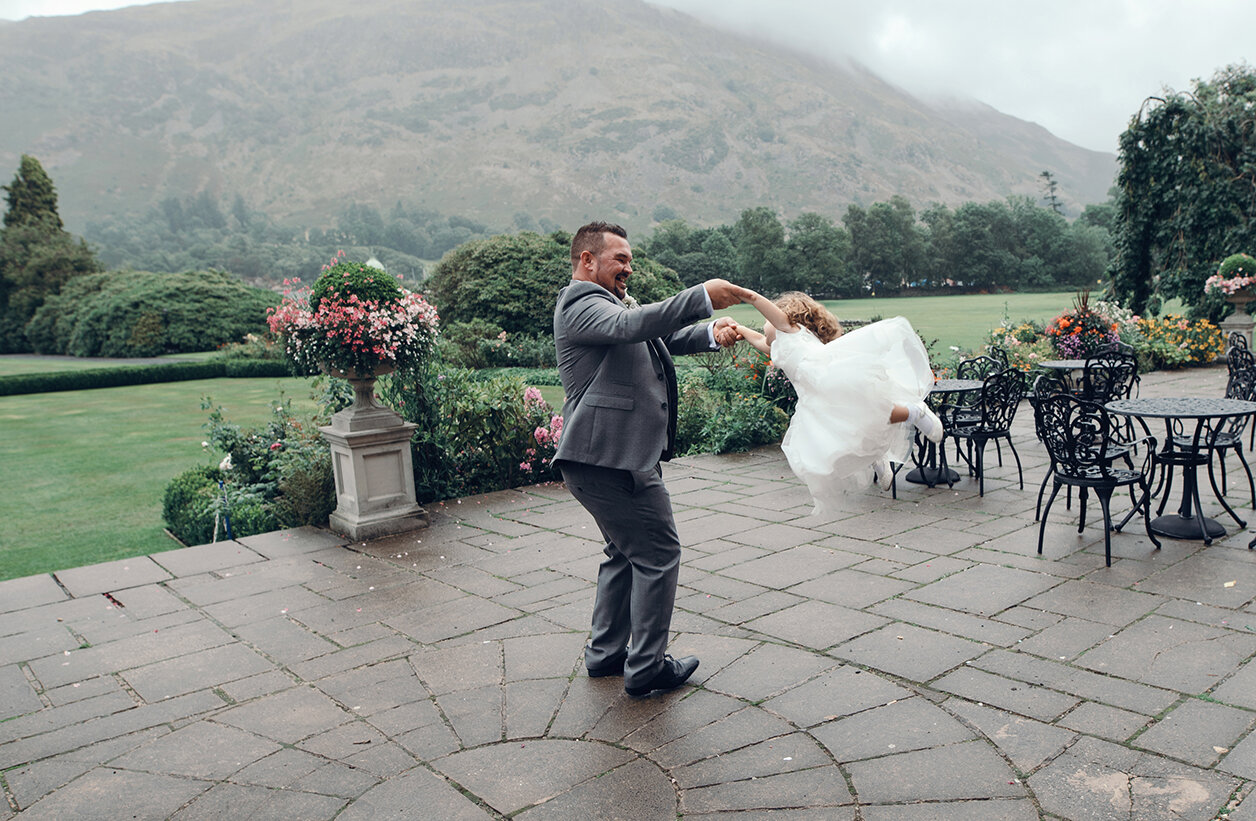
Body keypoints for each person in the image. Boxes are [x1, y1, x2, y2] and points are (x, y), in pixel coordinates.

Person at [553, 221, 749, 698]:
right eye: (619, 258)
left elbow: (659, 336)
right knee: (659, 556)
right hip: (610, 460)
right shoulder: (580, 304)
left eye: (629, 259)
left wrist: (708, 332)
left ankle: (606, 656)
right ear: (587, 260)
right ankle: (646, 669)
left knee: (626, 552)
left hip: (608, 457)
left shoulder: (611, 303)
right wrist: (701, 295)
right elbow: (631, 326)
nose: (628, 267)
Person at [731, 290, 942, 510]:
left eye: (767, 319)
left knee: (873, 412)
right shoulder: (777, 345)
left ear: (784, 316)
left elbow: (756, 300)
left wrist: (736, 292)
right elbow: (758, 340)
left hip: (832, 381)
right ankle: (877, 457)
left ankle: (915, 411)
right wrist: (738, 328)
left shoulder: (789, 329)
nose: (764, 324)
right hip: (816, 395)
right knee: (843, 435)